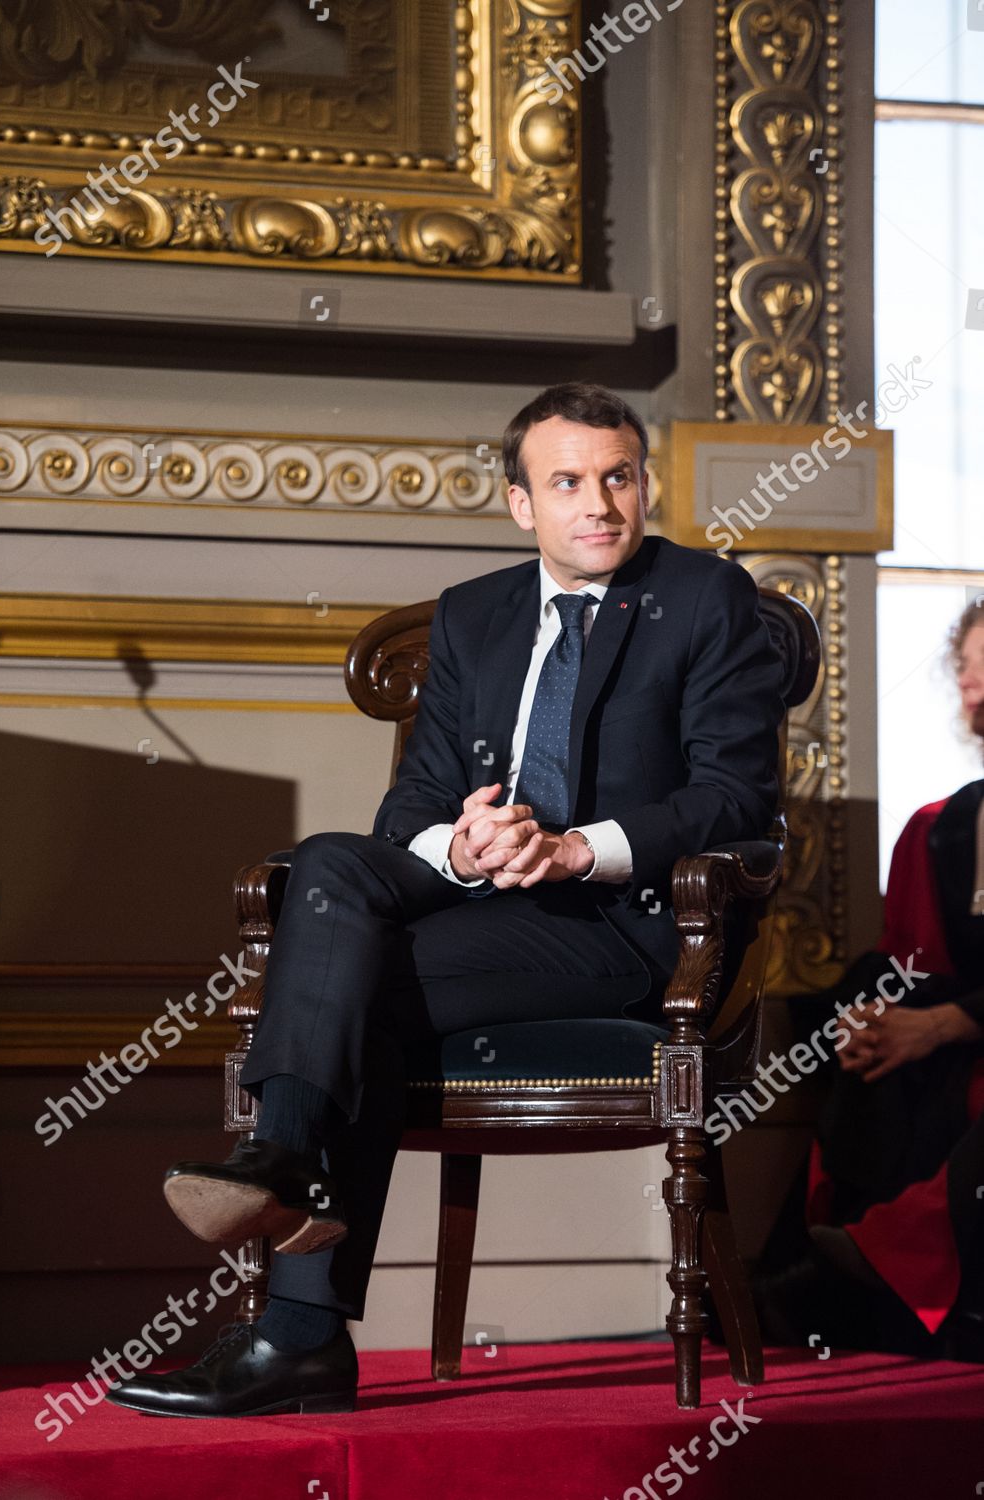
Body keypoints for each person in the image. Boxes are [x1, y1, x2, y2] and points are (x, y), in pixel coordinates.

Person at [106, 381, 785, 1418]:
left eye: (617, 477)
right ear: (522, 504)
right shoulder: (476, 613)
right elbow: (411, 805)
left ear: (641, 485)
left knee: (348, 990)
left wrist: (572, 851)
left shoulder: (705, 599)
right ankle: (282, 1166)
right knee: (332, 861)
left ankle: (295, 1321)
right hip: (480, 902)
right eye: (566, 482)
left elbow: (735, 800)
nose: (597, 502)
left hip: (622, 924)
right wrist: (461, 845)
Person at [754, 599, 984, 1361]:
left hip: (969, 1034)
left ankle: (852, 1273)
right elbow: (913, 956)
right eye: (966, 669)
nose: (975, 687)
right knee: (872, 1040)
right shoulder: (939, 826)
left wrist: (943, 1025)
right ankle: (842, 1282)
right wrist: (881, 1021)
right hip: (951, 1039)